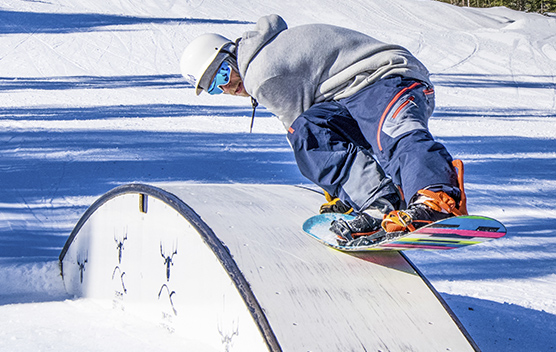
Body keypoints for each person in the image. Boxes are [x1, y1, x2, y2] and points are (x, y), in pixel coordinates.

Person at [180, 14, 467, 245]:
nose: (227, 87)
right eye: (215, 88)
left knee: (392, 133)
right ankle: (379, 203)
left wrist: (333, 192)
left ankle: (436, 197)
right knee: (310, 133)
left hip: (384, 77)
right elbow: (311, 133)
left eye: (222, 74)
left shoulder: (260, 72)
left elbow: (295, 125)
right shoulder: (262, 55)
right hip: (348, 94)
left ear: (230, 53)